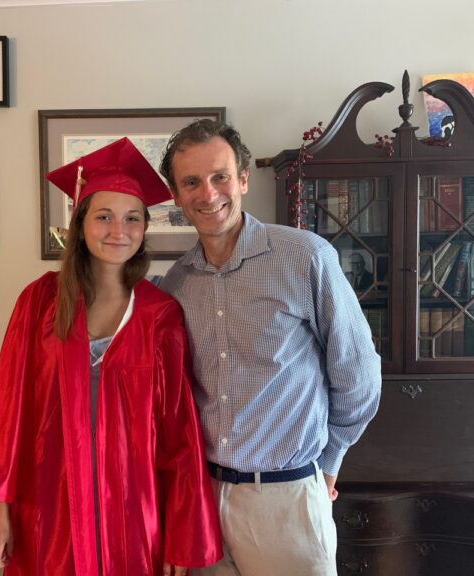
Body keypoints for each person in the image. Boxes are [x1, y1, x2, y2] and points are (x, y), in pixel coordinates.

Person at [0, 137, 222, 576]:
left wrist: (181, 535)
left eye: (132, 219)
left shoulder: (159, 316)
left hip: (134, 511)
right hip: (47, 503)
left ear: (144, 229)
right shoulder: (41, 302)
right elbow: (9, 412)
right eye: (104, 216)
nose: (118, 230)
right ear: (80, 224)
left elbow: (179, 435)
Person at [157, 120, 382, 576]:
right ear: (176, 196)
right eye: (191, 182)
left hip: (288, 503)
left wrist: (331, 460)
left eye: (220, 176)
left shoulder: (305, 257)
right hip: (204, 499)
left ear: (243, 178)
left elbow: (358, 374)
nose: (208, 193)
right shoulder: (177, 283)